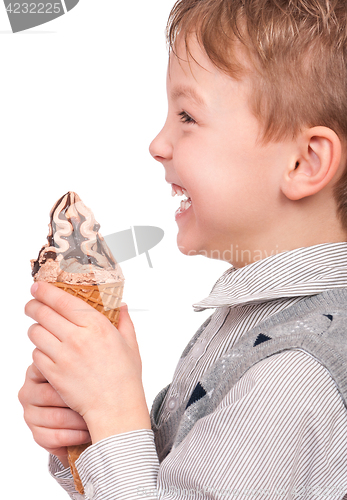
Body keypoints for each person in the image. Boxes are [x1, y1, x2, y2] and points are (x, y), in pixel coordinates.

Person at [18, 0, 347, 498]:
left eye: (187, 116)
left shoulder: (291, 377)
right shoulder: (255, 321)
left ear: (304, 162)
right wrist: (90, 435)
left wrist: (114, 412)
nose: (158, 143)